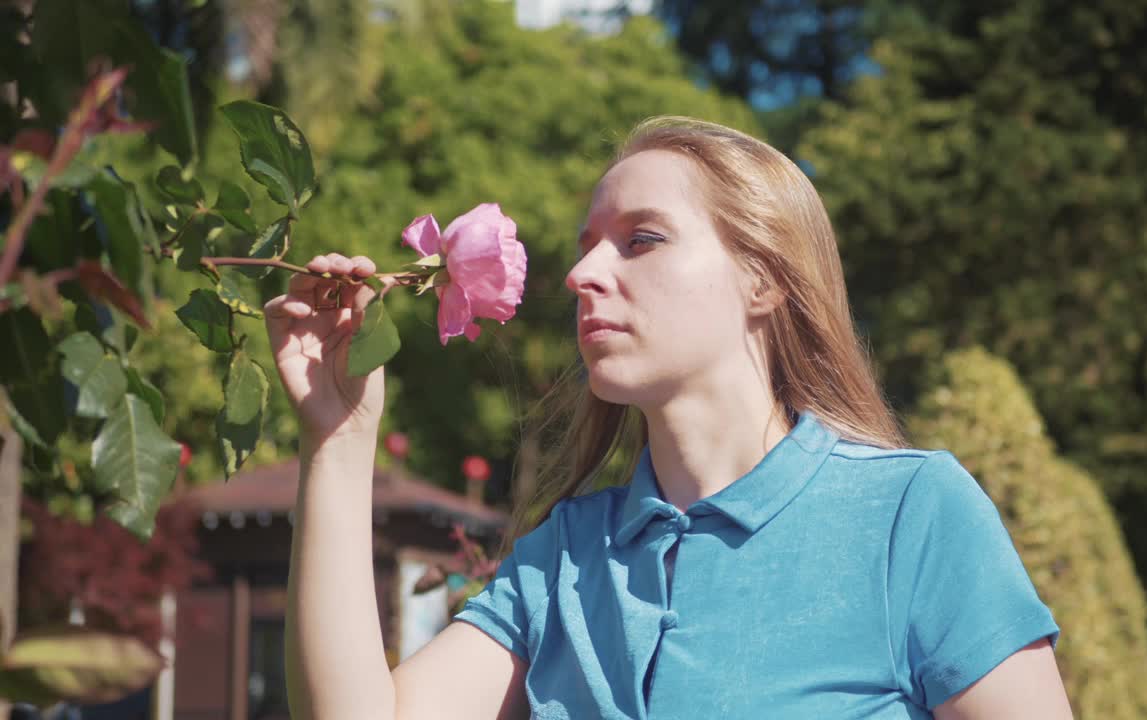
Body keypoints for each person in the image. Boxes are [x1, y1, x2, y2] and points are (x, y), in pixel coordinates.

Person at [267, 117, 1073, 719]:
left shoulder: (912, 517)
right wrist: (337, 439)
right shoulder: (563, 562)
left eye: (640, 240)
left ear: (763, 281)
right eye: (586, 246)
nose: (582, 273)